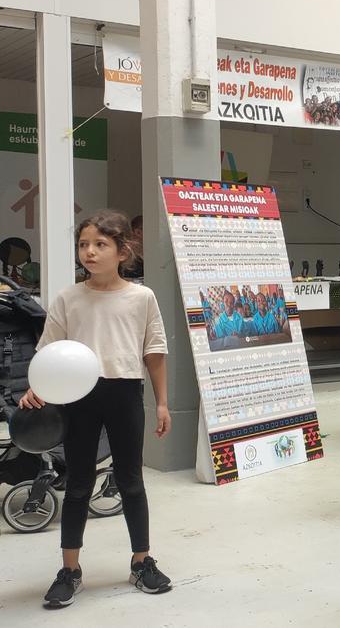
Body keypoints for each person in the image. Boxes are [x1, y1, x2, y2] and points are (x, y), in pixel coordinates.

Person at [19, 210, 172, 609]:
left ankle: (141, 561)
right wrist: (35, 389)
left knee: (131, 481)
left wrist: (162, 403)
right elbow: (49, 354)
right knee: (79, 484)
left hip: (124, 394)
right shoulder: (68, 298)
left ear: (123, 251)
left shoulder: (142, 297)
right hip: (78, 400)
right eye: (84, 244)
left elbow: (154, 351)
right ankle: (70, 571)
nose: (90, 251)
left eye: (100, 244)